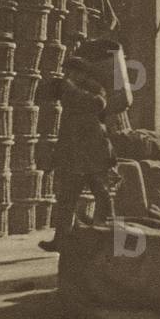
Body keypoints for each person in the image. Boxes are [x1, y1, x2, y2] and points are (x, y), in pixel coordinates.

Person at [38, 42, 119, 253]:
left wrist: (71, 89)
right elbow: (44, 95)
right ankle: (61, 239)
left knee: (101, 193)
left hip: (94, 151)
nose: (68, 75)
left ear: (81, 73)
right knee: (66, 198)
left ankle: (106, 235)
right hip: (73, 151)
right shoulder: (66, 89)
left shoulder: (94, 87)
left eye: (71, 71)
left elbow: (98, 105)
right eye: (67, 72)